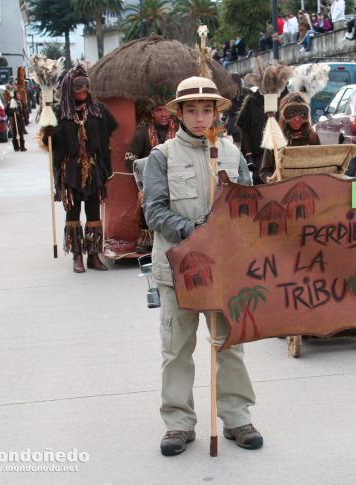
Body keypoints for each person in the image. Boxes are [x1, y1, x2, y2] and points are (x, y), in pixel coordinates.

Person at [142, 76, 262, 457]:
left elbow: (249, 207)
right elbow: (154, 211)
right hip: (177, 270)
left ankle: (237, 417)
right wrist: (194, 230)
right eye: (191, 110)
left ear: (215, 112)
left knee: (230, 344)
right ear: (178, 114)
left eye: (205, 109)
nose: (199, 117)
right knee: (176, 348)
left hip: (224, 270)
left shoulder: (233, 154)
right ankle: (178, 424)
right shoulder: (161, 157)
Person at [45, 63, 118, 273]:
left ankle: (93, 255)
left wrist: (107, 168)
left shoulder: (97, 111)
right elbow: (50, 143)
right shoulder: (60, 113)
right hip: (70, 170)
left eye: (86, 85)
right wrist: (48, 130)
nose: (84, 90)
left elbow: (106, 142)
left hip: (94, 169)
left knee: (94, 211)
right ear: (69, 88)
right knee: (73, 212)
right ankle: (77, 255)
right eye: (79, 86)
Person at [125, 97, 178, 253]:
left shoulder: (181, 132)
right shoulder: (142, 134)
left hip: (176, 178)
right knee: (145, 198)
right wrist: (143, 178)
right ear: (152, 113)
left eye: (166, 110)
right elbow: (129, 158)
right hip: (150, 181)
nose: (163, 114)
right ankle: (147, 238)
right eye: (159, 110)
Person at [260, 92, 321, 182]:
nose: (297, 119)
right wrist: (275, 181)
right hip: (283, 191)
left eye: (302, 114)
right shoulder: (275, 138)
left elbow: (320, 166)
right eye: (292, 114)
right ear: (283, 115)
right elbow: (264, 172)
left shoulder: (312, 137)